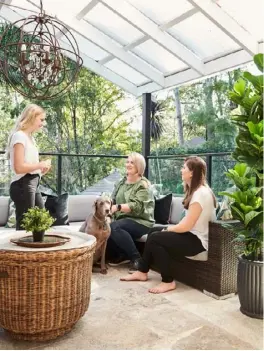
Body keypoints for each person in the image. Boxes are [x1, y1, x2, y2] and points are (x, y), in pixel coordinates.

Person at [120, 156, 217, 294]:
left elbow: (186, 227)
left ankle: (168, 281)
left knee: (155, 238)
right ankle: (142, 271)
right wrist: (166, 229)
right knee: (153, 231)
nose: (181, 170)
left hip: (198, 242)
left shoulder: (200, 194)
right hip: (191, 235)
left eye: (184, 168)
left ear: (192, 173)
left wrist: (167, 228)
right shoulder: (197, 191)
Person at [107, 152, 155, 271]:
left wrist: (118, 207)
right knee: (106, 227)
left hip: (141, 221)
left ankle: (137, 259)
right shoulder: (121, 182)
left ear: (139, 166)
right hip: (123, 220)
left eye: (132, 162)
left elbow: (137, 206)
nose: (128, 164)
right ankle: (123, 255)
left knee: (114, 227)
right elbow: (112, 199)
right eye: (127, 161)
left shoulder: (143, 185)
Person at [6, 104, 52, 230]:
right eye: (41, 119)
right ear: (32, 117)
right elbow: (19, 168)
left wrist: (42, 170)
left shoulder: (30, 138)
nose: (43, 123)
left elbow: (30, 168)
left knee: (41, 223)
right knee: (27, 226)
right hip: (22, 185)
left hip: (32, 183)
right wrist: (39, 164)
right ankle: (17, 250)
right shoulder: (19, 136)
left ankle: (39, 250)